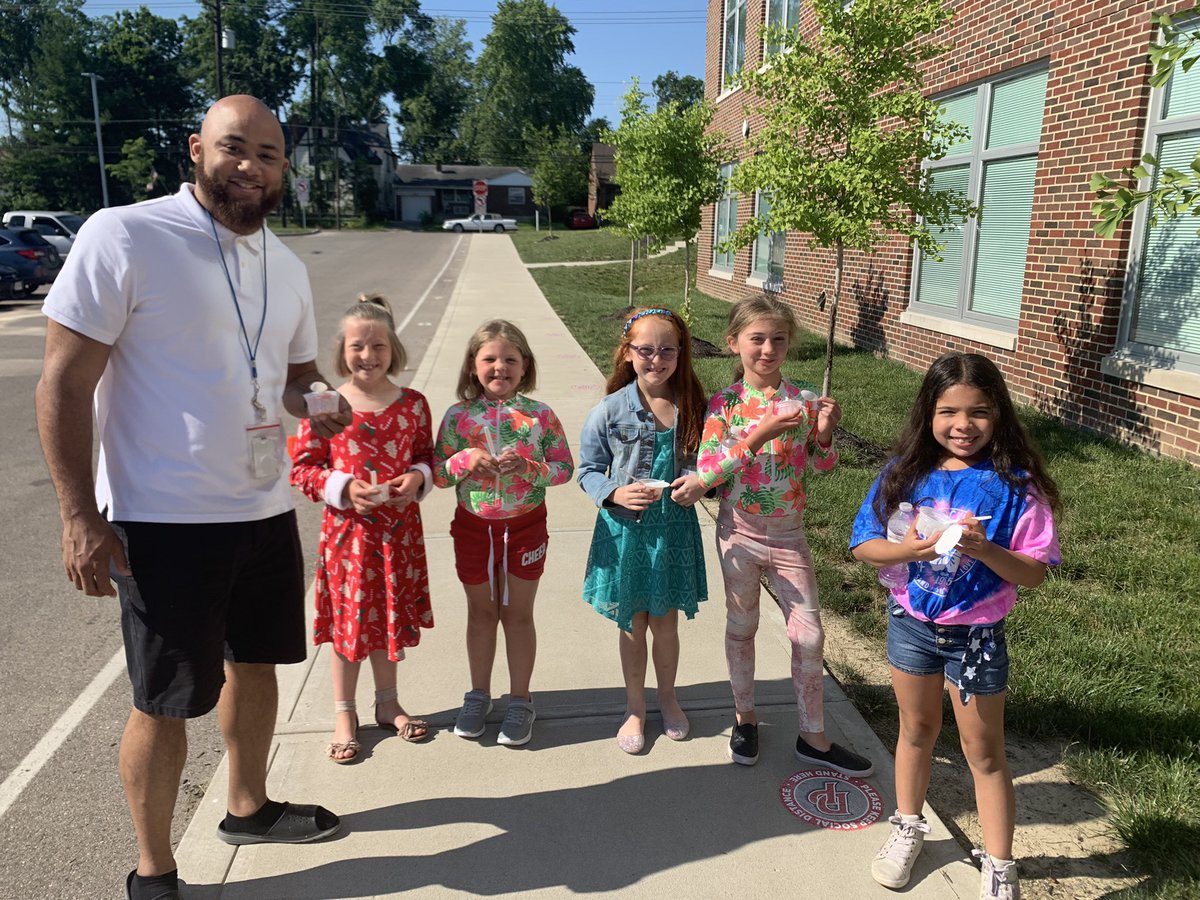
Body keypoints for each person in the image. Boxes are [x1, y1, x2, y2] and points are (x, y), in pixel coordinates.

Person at [35, 95, 350, 900]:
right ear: (195, 149)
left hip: (264, 510)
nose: (250, 165)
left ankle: (247, 804)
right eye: (233, 147)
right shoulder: (127, 233)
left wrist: (330, 401)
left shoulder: (287, 265)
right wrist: (79, 514)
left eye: (269, 154)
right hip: (162, 520)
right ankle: (154, 872)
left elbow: (294, 378)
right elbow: (67, 382)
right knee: (166, 699)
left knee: (259, 664)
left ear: (286, 169)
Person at [850, 351, 1061, 899]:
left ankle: (999, 862)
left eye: (979, 412)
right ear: (928, 412)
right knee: (916, 731)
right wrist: (906, 550)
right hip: (912, 627)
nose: (963, 425)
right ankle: (907, 826)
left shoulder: (1017, 486)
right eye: (948, 411)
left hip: (977, 637)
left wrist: (986, 548)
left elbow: (1034, 573)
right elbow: (863, 545)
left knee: (984, 751)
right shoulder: (904, 474)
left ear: (1000, 415)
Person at [695, 293, 873, 776]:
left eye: (778, 339)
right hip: (740, 531)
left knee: (810, 636)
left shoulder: (804, 400)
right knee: (742, 626)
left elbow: (824, 466)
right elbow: (709, 471)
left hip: (789, 535)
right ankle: (745, 717)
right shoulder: (726, 404)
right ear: (734, 343)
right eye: (757, 339)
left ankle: (813, 735)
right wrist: (761, 433)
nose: (768, 349)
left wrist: (825, 434)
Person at [290, 294, 435, 764]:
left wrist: (417, 478)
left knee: (386, 619)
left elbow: (426, 457)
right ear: (341, 351)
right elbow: (303, 468)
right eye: (357, 347)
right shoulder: (325, 404)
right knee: (349, 626)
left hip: (398, 535)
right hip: (348, 539)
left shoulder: (413, 404)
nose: (368, 356)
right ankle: (344, 712)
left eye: (377, 346)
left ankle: (387, 702)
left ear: (393, 348)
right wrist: (342, 486)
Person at [433, 320, 573, 747]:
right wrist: (464, 461)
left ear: (525, 365)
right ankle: (478, 695)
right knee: (480, 613)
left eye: (510, 359)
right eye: (489, 359)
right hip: (474, 529)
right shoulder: (459, 416)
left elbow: (565, 468)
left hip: (526, 528)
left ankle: (520, 698)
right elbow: (438, 474)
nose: (500, 367)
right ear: (473, 366)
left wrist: (530, 469)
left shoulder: (539, 415)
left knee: (517, 615)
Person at [577, 307, 710, 754]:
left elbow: (703, 462)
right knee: (633, 624)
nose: (657, 359)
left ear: (680, 353)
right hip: (627, 532)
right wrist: (613, 494)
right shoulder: (610, 409)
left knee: (666, 624)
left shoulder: (693, 405)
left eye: (667, 350)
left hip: (672, 530)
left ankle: (668, 699)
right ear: (628, 353)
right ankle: (635, 706)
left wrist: (699, 482)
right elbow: (589, 470)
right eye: (646, 350)